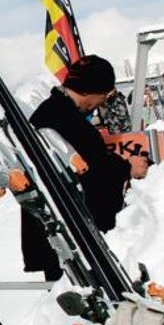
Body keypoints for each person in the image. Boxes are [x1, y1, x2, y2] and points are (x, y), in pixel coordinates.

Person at [22, 55, 148, 281]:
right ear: (91, 90)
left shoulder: (51, 112)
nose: (103, 102)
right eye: (105, 95)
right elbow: (93, 169)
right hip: (73, 240)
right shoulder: (65, 119)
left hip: (60, 237)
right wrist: (127, 168)